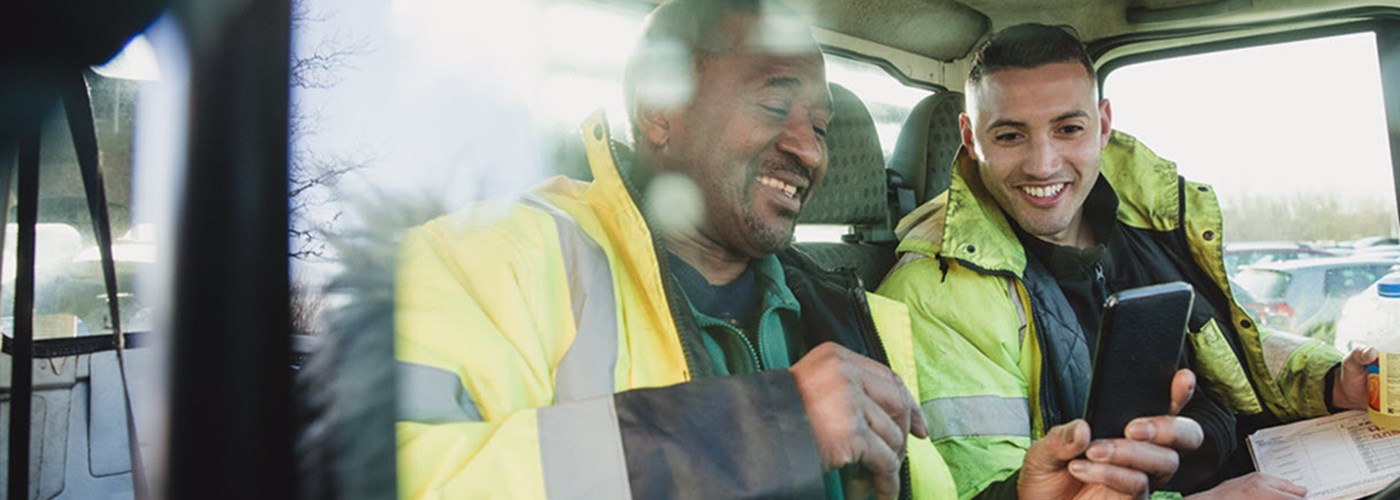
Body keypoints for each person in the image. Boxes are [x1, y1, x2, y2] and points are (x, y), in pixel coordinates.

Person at [392, 1, 955, 497]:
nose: (810, 151)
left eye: (822, 127)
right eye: (772, 105)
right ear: (660, 112)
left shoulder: (859, 314)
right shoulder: (486, 261)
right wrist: (761, 430)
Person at [877, 23, 1376, 499]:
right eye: (1010, 136)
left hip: (1252, 462)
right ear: (970, 137)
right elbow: (996, 489)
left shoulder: (1150, 222)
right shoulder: (934, 288)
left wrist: (1332, 383)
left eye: (1068, 128)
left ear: (1104, 124)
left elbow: (1233, 340)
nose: (1043, 164)